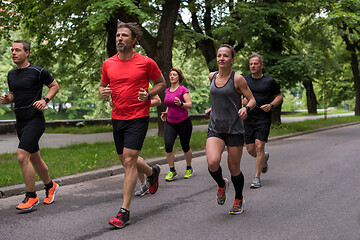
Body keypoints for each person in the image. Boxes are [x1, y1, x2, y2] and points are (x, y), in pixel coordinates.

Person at [99, 22, 166, 229]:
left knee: (129, 159)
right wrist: (102, 91)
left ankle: (124, 211)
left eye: (124, 35)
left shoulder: (146, 62)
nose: (120, 38)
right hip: (118, 116)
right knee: (124, 158)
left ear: (134, 40)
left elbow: (161, 82)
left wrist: (150, 94)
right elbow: (102, 85)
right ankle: (151, 172)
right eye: (118, 35)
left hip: (138, 115)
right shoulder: (108, 63)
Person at [0, 40, 60, 211]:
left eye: (17, 50)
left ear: (27, 53)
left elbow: (55, 86)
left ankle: (31, 196)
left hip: (35, 119)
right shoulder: (11, 74)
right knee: (34, 157)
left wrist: (45, 100)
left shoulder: (38, 71)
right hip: (21, 120)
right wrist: (7, 100)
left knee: (22, 156)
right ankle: (50, 186)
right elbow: (12, 95)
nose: (13, 53)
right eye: (12, 50)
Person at [205, 44, 256, 215]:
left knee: (234, 168)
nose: (221, 58)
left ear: (232, 59)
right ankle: (221, 183)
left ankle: (239, 198)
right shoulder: (212, 76)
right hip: (216, 127)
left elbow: (252, 99)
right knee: (212, 163)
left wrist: (246, 109)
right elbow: (217, 98)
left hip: (234, 128)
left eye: (226, 56)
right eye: (219, 55)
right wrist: (212, 109)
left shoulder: (238, 79)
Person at [242, 53, 282, 189]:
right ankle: (264, 157)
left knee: (259, 146)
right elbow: (241, 97)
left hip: (263, 118)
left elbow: (279, 96)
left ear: (261, 65)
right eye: (251, 64)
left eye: (256, 63)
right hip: (248, 118)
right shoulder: (244, 80)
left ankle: (257, 178)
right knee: (250, 149)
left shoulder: (269, 81)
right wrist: (244, 101)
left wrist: (271, 105)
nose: (253, 66)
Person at [161, 68, 193, 181]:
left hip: (184, 122)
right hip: (170, 122)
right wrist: (166, 112)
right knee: (168, 145)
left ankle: (189, 168)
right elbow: (169, 104)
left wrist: (181, 104)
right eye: (170, 75)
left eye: (174, 75)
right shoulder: (167, 91)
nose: (172, 77)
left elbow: (189, 105)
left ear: (179, 77)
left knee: (185, 146)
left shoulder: (183, 90)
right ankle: (172, 170)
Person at [134, 91, 161, 197]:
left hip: (137, 121)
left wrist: (141, 103)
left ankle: (144, 183)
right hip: (121, 120)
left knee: (132, 156)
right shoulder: (119, 79)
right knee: (126, 157)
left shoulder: (143, 80)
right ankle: (151, 173)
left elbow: (157, 101)